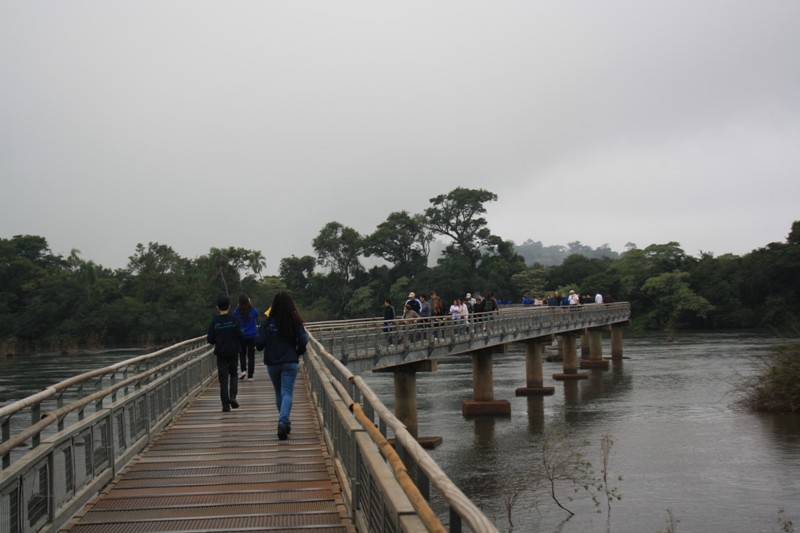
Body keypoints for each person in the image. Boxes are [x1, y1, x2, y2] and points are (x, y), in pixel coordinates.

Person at [256, 291, 308, 441]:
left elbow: (259, 344)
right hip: (290, 361)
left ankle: (284, 422)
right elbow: (303, 341)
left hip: (272, 363)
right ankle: (283, 421)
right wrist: (298, 352)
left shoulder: (268, 322)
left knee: (279, 393)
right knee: (287, 393)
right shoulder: (294, 321)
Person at [206, 295, 243, 412]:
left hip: (221, 353)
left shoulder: (215, 322)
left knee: (223, 379)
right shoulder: (234, 319)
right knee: (233, 374)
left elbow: (210, 339)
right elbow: (240, 335)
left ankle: (225, 405)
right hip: (233, 352)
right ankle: (232, 397)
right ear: (229, 306)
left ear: (217, 307)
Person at [232, 294, 260, 381]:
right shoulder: (252, 310)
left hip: (242, 336)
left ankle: (243, 370)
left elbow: (233, 316)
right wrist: (250, 304)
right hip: (252, 336)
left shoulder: (237, 311)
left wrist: (237, 307)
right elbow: (257, 313)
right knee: (251, 356)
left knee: (242, 354)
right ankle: (250, 375)